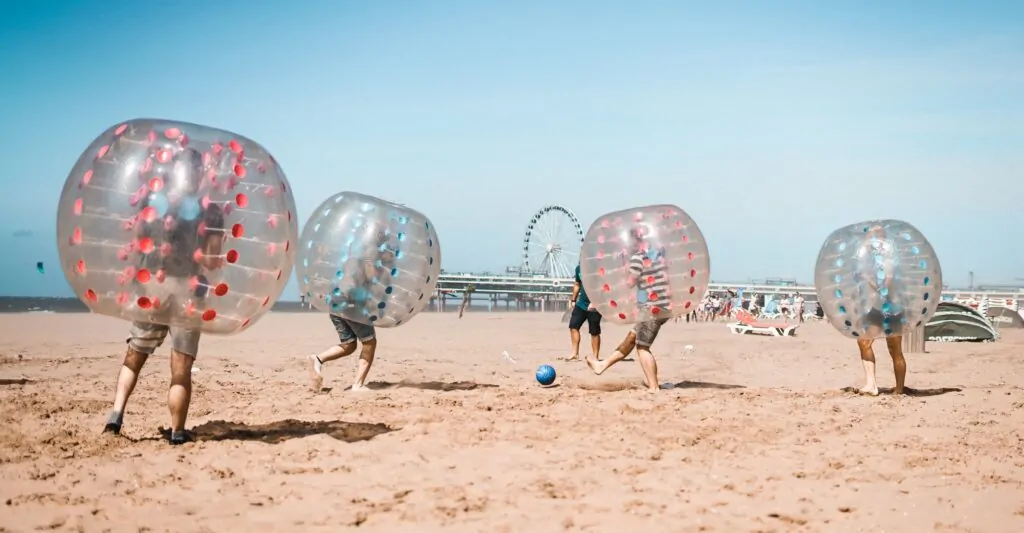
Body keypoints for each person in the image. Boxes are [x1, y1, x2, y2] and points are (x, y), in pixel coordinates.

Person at [103, 147, 225, 445]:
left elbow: (138, 243)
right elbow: (209, 261)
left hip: (153, 288)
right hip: (188, 291)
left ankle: (115, 417)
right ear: (199, 173)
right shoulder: (211, 211)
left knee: (135, 355)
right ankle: (178, 433)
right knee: (181, 367)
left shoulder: (153, 202)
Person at [307, 232, 396, 392]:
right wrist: (384, 263)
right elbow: (370, 274)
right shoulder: (371, 250)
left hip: (335, 300)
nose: (386, 236)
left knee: (349, 344)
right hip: (352, 302)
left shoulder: (352, 249)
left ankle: (317, 359)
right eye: (383, 232)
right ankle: (358, 385)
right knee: (369, 342)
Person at [586, 227, 670, 391]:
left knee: (642, 346)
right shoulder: (656, 256)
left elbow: (629, 284)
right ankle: (602, 366)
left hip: (651, 308)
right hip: (663, 305)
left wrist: (600, 302)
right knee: (632, 337)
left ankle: (653, 387)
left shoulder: (639, 258)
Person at [854, 224, 907, 396]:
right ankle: (871, 384)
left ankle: (899, 389)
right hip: (878, 306)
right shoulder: (870, 262)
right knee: (864, 341)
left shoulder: (889, 260)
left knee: (895, 349)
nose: (870, 242)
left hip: (891, 307)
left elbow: (884, 286)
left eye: (873, 237)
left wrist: (866, 278)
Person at [565, 263, 601, 362]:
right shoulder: (578, 269)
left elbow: (604, 286)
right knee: (573, 326)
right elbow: (577, 284)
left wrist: (595, 301)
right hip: (581, 304)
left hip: (595, 306)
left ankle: (595, 356)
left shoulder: (598, 268)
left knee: (594, 332)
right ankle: (574, 353)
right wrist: (573, 300)